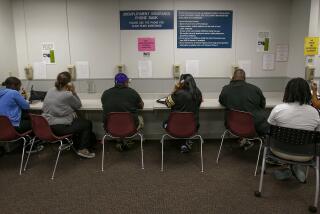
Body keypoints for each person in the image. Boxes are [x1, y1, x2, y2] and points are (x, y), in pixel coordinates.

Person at [268, 77, 320, 182]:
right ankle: (294, 168)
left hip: (278, 150)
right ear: (307, 93)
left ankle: (290, 168)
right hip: (305, 155)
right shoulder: (315, 113)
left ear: (287, 91)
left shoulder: (278, 109)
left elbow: (270, 126)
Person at [42, 71, 95, 158]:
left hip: (47, 125)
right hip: (59, 128)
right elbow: (78, 105)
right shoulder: (68, 95)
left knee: (78, 121)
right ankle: (83, 149)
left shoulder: (50, 90)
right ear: (69, 83)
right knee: (87, 123)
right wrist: (73, 92)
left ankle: (68, 142)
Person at [219, 68, 269, 149]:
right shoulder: (255, 88)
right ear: (245, 78)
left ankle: (244, 139)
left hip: (232, 124)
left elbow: (222, 101)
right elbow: (262, 105)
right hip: (254, 124)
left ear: (233, 77)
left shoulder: (226, 89)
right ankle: (265, 144)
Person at [101, 73, 144, 151]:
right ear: (126, 82)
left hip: (110, 128)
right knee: (140, 118)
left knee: (117, 120)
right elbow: (141, 106)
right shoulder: (132, 92)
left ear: (115, 82)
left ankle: (120, 141)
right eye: (127, 82)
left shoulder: (105, 93)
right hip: (130, 127)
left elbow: (105, 105)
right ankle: (126, 140)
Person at [0, 77, 43, 152]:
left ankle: (27, 142)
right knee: (35, 122)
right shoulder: (13, 93)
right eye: (19, 86)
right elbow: (26, 106)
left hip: (3, 127)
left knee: (27, 117)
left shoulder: (1, 92)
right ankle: (31, 147)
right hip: (14, 126)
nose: (19, 88)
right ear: (13, 85)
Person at [163, 74, 203, 153]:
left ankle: (183, 142)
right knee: (187, 122)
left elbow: (167, 103)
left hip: (175, 126)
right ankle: (186, 141)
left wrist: (175, 89)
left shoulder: (178, 93)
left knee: (164, 122)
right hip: (193, 126)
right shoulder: (198, 93)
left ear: (182, 82)